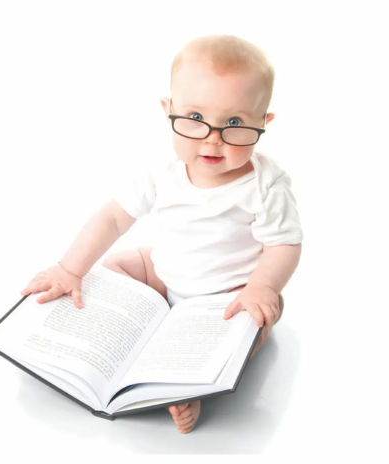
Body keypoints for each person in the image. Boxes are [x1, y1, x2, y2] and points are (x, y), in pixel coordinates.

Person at [20, 34, 303, 434]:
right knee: (116, 263)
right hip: (166, 275)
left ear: (263, 122)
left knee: (251, 326)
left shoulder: (264, 184)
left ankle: (190, 388)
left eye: (235, 123)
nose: (213, 137)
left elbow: (284, 244)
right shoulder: (162, 170)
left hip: (226, 296)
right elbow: (112, 219)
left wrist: (263, 287)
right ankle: (128, 325)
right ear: (168, 109)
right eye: (195, 118)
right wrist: (69, 269)